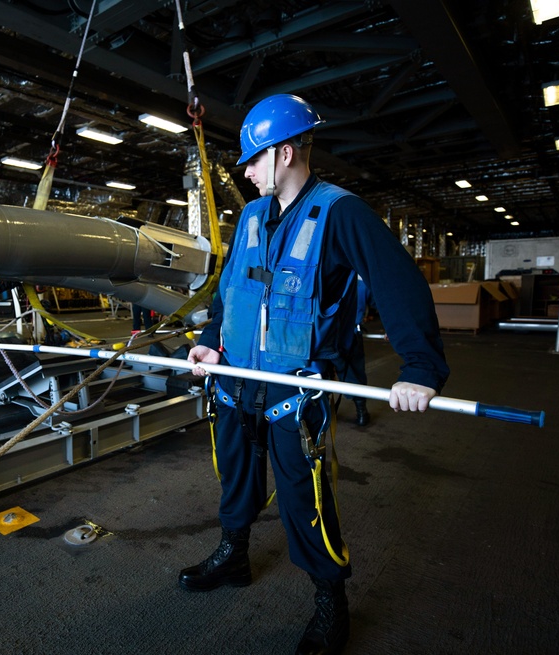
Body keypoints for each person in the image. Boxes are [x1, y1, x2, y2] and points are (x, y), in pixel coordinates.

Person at [182, 94, 449, 655]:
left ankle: (332, 600)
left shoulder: (340, 211)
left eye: (253, 161)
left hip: (295, 390)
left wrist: (420, 368)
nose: (246, 173)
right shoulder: (251, 216)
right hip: (236, 384)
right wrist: (210, 344)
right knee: (234, 479)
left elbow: (397, 283)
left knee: (306, 497)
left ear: (284, 154)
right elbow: (232, 290)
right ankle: (233, 556)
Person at [334, 276, 373, 426]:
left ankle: (326, 410)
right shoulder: (362, 284)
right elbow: (381, 304)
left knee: (322, 373)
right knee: (355, 372)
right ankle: (361, 412)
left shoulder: (329, 278)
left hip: (327, 336)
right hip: (351, 334)